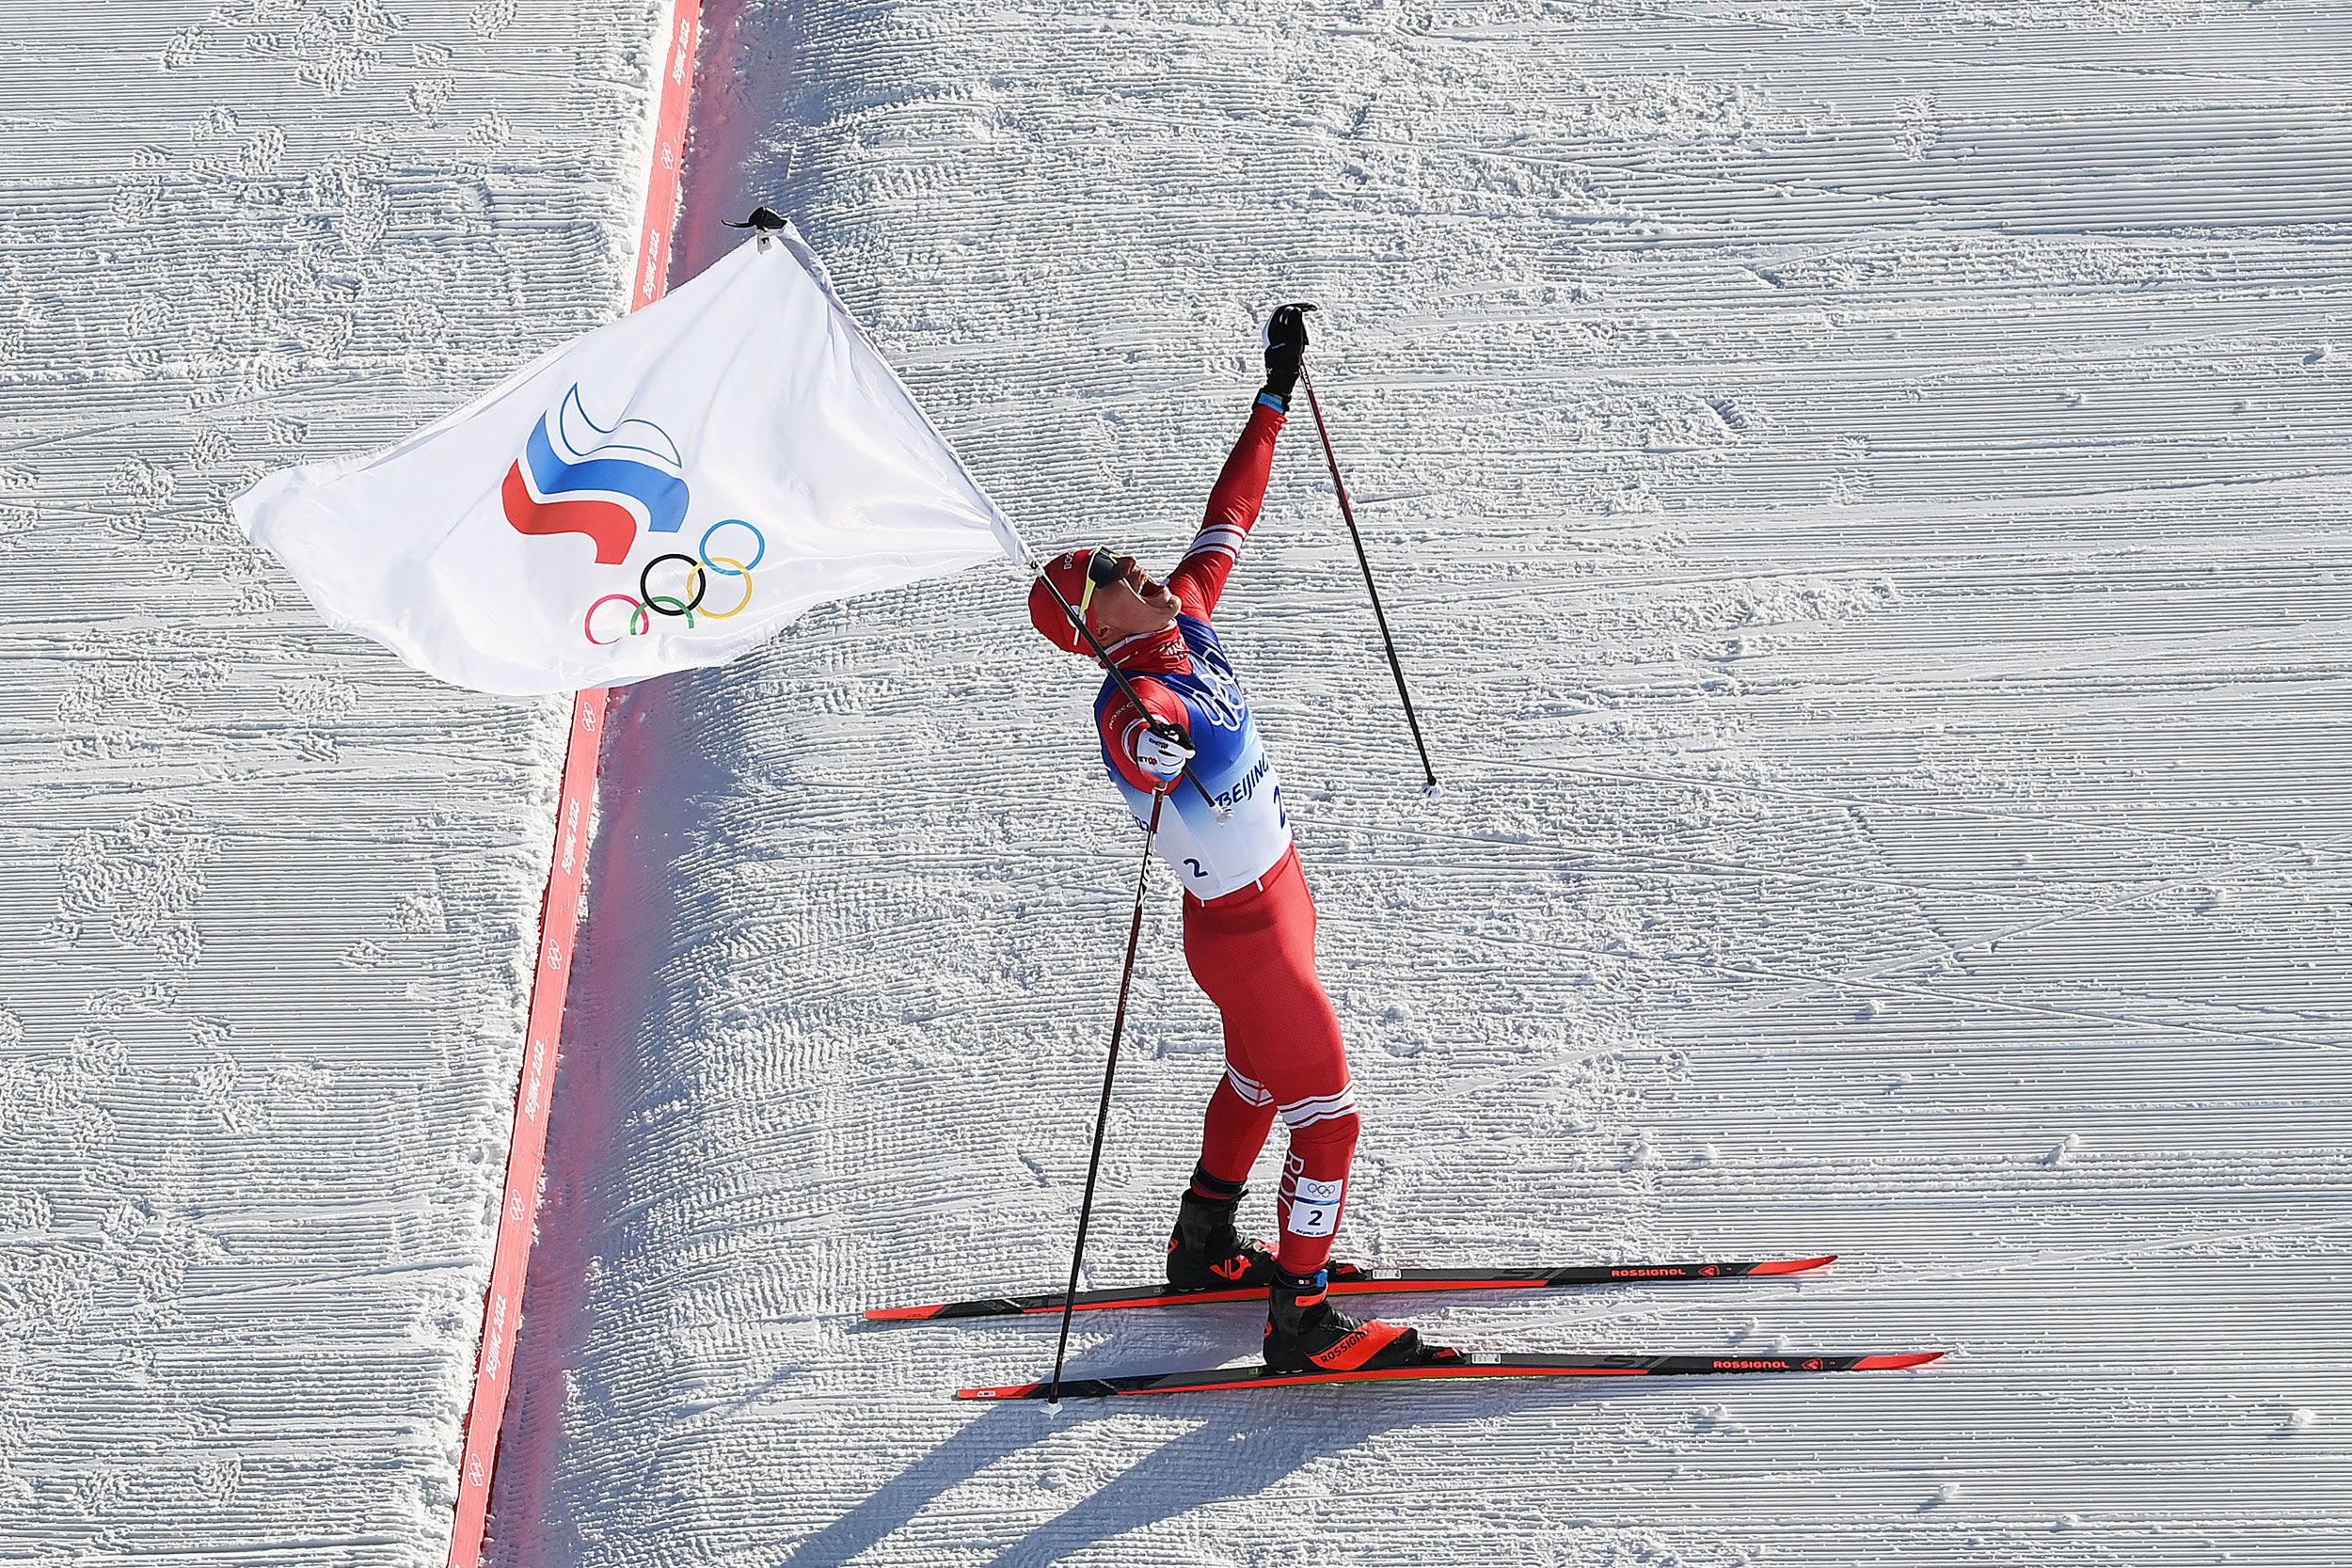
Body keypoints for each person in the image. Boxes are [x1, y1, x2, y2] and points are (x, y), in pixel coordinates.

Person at [1025, 307, 1444, 1374]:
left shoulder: (1188, 618)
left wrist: (1273, 395)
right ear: (1097, 622)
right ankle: (1298, 1321)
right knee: (1331, 1121)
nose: (1139, 561)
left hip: (1270, 905)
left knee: (1260, 1084)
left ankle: (1201, 1241)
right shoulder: (1135, 693)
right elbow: (1134, 738)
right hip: (1245, 932)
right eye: (1112, 567)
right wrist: (1149, 743)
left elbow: (1229, 512)